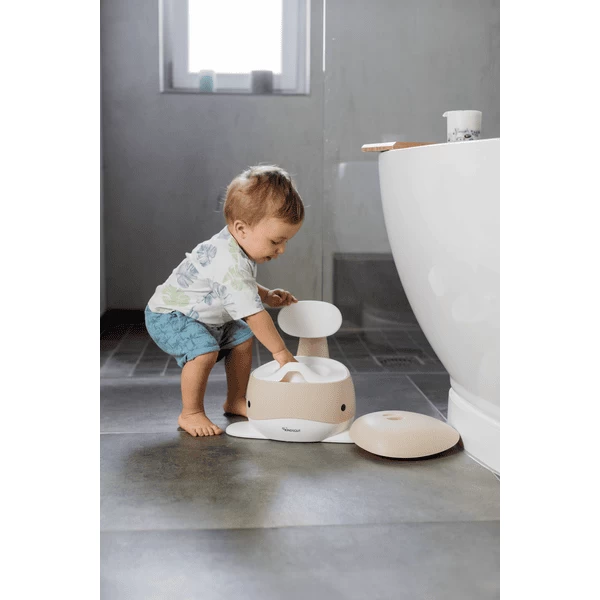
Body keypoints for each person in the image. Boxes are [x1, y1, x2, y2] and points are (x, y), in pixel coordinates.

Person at [144, 165, 304, 437]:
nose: (282, 249)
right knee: (204, 351)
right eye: (276, 241)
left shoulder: (235, 243)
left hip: (203, 316)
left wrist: (266, 295)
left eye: (286, 241)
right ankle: (190, 413)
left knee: (242, 338)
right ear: (241, 228)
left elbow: (237, 285)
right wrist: (281, 353)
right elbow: (254, 315)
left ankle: (235, 400)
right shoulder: (226, 258)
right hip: (169, 315)